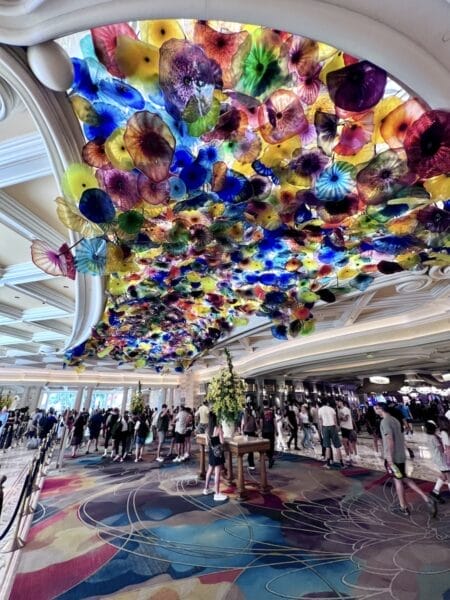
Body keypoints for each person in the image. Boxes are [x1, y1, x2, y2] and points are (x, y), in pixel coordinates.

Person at [375, 401, 437, 517]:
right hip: (401, 455)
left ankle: (404, 507)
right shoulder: (395, 420)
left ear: (380, 409)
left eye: (376, 408)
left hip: (393, 457)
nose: (375, 410)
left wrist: (389, 458)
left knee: (398, 481)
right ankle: (425, 498)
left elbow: (389, 440)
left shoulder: (385, 421)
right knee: (403, 478)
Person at [203, 411, 227, 502]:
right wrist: (222, 434)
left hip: (211, 452)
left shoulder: (207, 430)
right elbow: (222, 442)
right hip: (218, 453)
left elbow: (206, 443)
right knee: (217, 473)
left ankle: (206, 489)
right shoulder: (218, 428)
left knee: (209, 470)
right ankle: (217, 493)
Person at [425, 420, 450, 504]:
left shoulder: (429, 436)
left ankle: (435, 492)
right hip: (441, 459)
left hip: (436, 458)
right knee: (448, 475)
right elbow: (441, 449)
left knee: (443, 476)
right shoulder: (434, 437)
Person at [318, 399, 344, 469]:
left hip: (325, 428)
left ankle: (328, 464)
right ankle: (341, 464)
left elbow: (321, 421)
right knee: (337, 446)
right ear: (327, 403)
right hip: (332, 427)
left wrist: (321, 430)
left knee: (327, 446)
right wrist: (337, 427)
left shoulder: (320, 410)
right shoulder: (332, 409)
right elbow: (335, 420)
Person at [337, 400, 357, 464]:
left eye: (339, 402)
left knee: (349, 443)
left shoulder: (346, 409)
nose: (338, 403)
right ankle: (348, 457)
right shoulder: (340, 410)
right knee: (345, 443)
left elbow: (346, 419)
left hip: (348, 428)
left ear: (342, 403)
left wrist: (340, 417)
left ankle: (352, 457)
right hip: (343, 428)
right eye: (337, 403)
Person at [241, 404, 258, 469]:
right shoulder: (253, 417)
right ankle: (251, 464)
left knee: (246, 448)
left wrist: (242, 432)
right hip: (252, 433)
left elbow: (242, 426)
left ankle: (247, 461)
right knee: (251, 450)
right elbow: (256, 426)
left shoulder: (244, 418)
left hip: (246, 434)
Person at [260, 400, 275, 468]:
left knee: (265, 445)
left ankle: (270, 458)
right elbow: (274, 421)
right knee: (271, 444)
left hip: (265, 431)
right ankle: (271, 458)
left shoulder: (262, 411)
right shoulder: (272, 411)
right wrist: (276, 430)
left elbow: (261, 422)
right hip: (271, 430)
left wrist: (261, 429)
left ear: (263, 404)